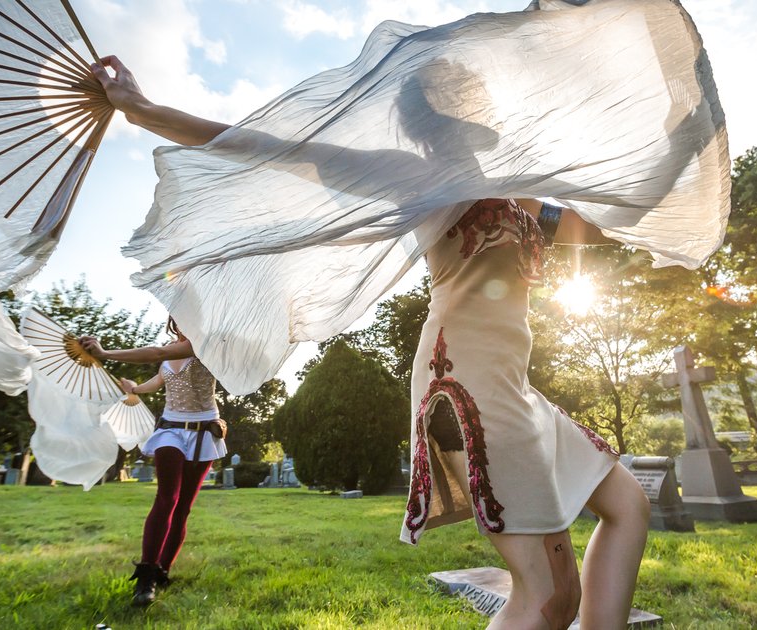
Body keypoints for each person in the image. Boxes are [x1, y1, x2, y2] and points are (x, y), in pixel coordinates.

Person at [90, 44, 654, 627]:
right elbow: (276, 151)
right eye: (444, 108)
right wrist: (143, 109)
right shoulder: (421, 178)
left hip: (516, 383)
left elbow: (612, 224)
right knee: (548, 596)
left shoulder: (526, 195)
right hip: (467, 384)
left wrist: (684, 184)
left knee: (627, 506)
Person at [80, 318, 227, 607]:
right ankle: (146, 575)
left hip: (202, 432)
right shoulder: (171, 350)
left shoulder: (204, 344)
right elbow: (158, 380)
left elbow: (156, 354)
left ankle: (163, 571)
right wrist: (135, 387)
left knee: (183, 508)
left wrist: (105, 353)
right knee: (166, 498)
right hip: (170, 430)